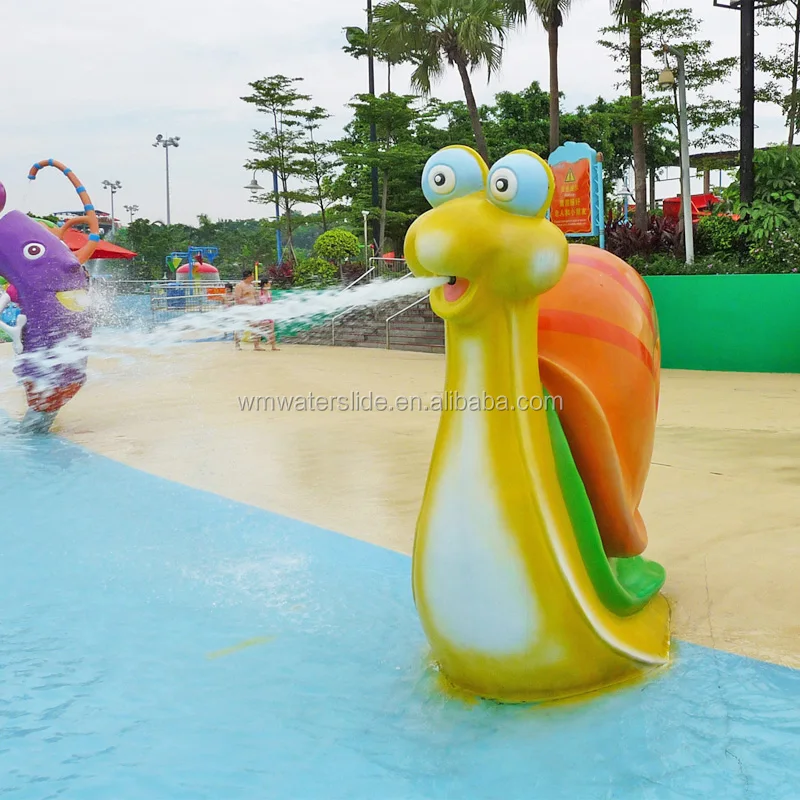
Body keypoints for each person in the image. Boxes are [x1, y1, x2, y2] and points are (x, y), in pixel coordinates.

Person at [233, 269, 263, 350]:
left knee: (255, 326)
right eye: (252, 275)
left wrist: (257, 305)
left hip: (252, 309)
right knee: (240, 327)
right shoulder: (239, 285)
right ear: (249, 276)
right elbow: (237, 298)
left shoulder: (251, 286)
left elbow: (254, 297)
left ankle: (256, 345)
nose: (253, 277)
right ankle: (237, 345)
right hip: (243, 309)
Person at [257, 279, 279, 351]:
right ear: (265, 284)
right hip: (261, 313)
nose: (270, 284)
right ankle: (257, 345)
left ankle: (273, 346)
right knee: (260, 329)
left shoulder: (270, 292)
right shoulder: (259, 293)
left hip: (269, 312)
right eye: (268, 283)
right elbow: (257, 303)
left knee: (272, 329)